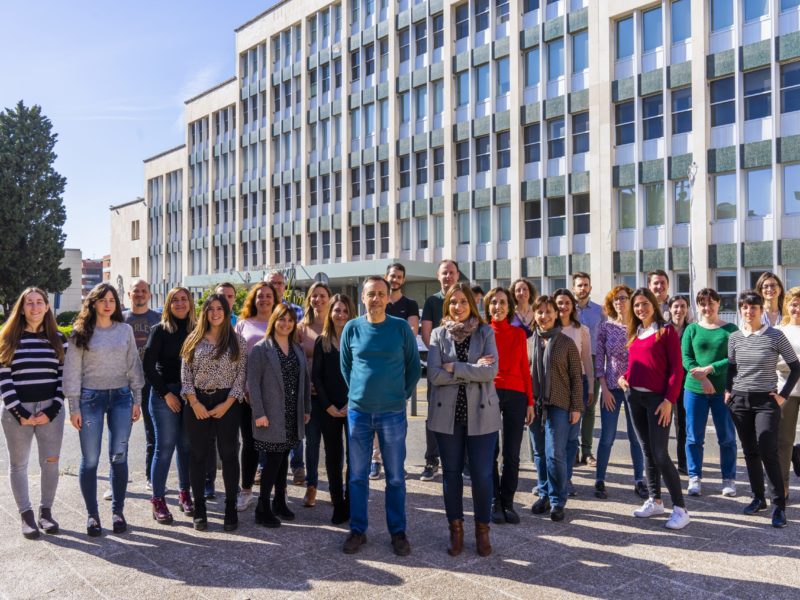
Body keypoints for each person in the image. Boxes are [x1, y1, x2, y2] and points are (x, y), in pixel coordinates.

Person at [340, 276, 421, 556]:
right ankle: (358, 530)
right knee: (358, 476)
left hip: (392, 413)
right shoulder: (351, 328)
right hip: (359, 413)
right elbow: (346, 368)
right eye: (370, 294)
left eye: (380, 294)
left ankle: (398, 531)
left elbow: (413, 367)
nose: (375, 299)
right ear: (362, 298)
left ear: (388, 298)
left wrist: (402, 395)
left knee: (396, 476)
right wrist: (360, 393)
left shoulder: (400, 329)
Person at [64, 283, 144, 537]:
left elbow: (134, 365)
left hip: (121, 397)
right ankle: (92, 516)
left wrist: (137, 398)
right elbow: (72, 372)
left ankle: (118, 512)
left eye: (112, 299)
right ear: (93, 303)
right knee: (90, 460)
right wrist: (73, 406)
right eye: (103, 299)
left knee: (118, 456)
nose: (108, 304)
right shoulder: (80, 333)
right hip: (90, 400)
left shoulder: (125, 330)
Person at [428, 283, 500, 556]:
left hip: (481, 415)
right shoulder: (438, 333)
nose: (458, 307)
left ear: (472, 304)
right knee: (451, 475)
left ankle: (483, 531)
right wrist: (472, 369)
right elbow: (434, 375)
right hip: (448, 417)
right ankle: (455, 531)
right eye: (453, 302)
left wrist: (455, 368)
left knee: (482, 476)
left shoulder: (485, 331)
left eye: (463, 302)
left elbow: (491, 371)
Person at [726, 290, 800, 528]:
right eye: (745, 308)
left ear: (761, 310)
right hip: (740, 402)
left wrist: (782, 396)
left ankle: (779, 505)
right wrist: (728, 392)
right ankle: (758, 498)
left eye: (753, 307)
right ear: (741, 310)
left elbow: (795, 367)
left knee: (769, 449)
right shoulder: (735, 337)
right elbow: (731, 368)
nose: (749, 311)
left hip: (766, 402)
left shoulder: (775, 336)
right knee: (749, 452)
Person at [618, 288, 688, 530]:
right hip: (634, 397)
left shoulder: (665, 331)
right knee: (647, 451)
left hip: (659, 401)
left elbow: (676, 370)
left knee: (660, 453)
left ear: (653, 305)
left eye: (645, 304)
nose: (640, 309)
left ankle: (680, 508)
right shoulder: (636, 332)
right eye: (637, 305)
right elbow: (638, 364)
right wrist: (624, 377)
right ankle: (655, 499)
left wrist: (669, 401)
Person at [0, 288, 68, 539]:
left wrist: (52, 410)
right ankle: (26, 516)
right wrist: (19, 412)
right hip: (16, 411)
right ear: (22, 308)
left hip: (50, 410)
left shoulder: (59, 339)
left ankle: (45, 512)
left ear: (47, 307)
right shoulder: (7, 338)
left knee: (50, 462)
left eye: (40, 302)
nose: (35, 307)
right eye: (29, 303)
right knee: (18, 465)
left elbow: (63, 377)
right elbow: (4, 379)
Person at [180, 293, 247, 532]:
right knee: (198, 456)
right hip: (197, 402)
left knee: (229, 454)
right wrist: (194, 402)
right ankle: (200, 508)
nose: (215, 313)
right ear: (205, 313)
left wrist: (227, 404)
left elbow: (241, 377)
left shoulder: (238, 341)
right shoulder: (193, 339)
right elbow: (185, 376)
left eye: (220, 308)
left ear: (227, 312)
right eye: (211, 309)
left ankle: (230, 506)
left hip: (227, 402)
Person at [247, 303, 311, 528]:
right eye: (282, 319)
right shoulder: (261, 349)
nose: (286, 324)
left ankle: (280, 502)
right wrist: (259, 413)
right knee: (272, 461)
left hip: (292, 414)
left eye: (290, 320)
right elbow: (252, 383)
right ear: (274, 320)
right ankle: (262, 507)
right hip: (271, 415)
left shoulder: (297, 348)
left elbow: (304, 380)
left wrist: (306, 409)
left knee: (284, 459)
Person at [142, 287, 196, 524]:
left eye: (184, 299)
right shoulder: (160, 330)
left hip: (190, 395)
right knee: (164, 449)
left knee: (186, 446)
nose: (180, 303)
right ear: (168, 304)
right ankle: (158, 500)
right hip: (166, 395)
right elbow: (148, 368)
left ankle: (185, 493)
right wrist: (167, 394)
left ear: (190, 303)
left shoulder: (197, 330)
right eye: (175, 300)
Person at [528, 295, 583, 522]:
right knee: (539, 454)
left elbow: (576, 378)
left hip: (559, 405)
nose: (544, 316)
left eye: (549, 311)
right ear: (534, 315)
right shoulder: (529, 342)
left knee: (555, 455)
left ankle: (558, 500)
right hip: (535, 405)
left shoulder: (566, 342)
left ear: (556, 314)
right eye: (540, 312)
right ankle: (544, 494)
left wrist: (576, 407)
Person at [681, 288, 738, 498]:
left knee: (727, 437)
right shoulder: (692, 329)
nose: (707, 307)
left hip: (723, 391)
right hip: (694, 390)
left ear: (719, 304)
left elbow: (733, 359)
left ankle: (729, 479)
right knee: (694, 437)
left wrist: (710, 369)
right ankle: (694, 477)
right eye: (702, 303)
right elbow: (686, 358)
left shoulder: (731, 329)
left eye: (711, 302)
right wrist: (702, 378)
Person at [483, 287, 532, 526]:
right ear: (487, 306)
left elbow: (525, 368)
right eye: (493, 302)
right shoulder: (482, 332)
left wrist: (530, 402)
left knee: (512, 453)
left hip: (516, 394)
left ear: (509, 307)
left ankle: (508, 502)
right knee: (491, 451)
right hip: (490, 392)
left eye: (502, 302)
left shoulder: (519, 334)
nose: (498, 306)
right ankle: (495, 503)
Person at [593, 286, 647, 500]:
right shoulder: (605, 327)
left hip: (635, 389)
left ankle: (639, 480)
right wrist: (604, 389)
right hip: (612, 389)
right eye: (615, 299)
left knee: (636, 438)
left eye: (624, 298)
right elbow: (599, 361)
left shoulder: (640, 328)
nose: (620, 302)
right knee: (607, 437)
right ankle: (599, 480)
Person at [372, 263, 419, 480]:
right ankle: (376, 460)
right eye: (392, 275)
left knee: (397, 421)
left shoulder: (410, 304)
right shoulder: (378, 300)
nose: (396, 279)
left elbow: (411, 332)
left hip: (396, 372)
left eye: (399, 276)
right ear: (386, 276)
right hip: (375, 372)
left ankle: (397, 462)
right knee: (373, 421)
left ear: (404, 280)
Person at [312, 294, 357, 524]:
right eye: (337, 310)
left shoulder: (358, 340)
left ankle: (351, 501)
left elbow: (361, 375)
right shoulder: (322, 341)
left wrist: (351, 403)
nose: (341, 315)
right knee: (333, 456)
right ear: (330, 313)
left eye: (345, 311)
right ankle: (337, 503)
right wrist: (327, 405)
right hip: (328, 408)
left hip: (353, 406)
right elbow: (316, 377)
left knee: (354, 456)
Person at [233, 281, 278, 512]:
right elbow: (236, 360)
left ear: (274, 298)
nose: (264, 299)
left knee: (275, 444)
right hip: (247, 395)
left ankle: (276, 493)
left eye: (269, 296)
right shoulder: (243, 325)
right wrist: (243, 389)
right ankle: (247, 490)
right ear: (253, 299)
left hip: (274, 395)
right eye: (260, 296)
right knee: (250, 444)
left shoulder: (281, 322)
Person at [419, 259, 459, 481]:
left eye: (451, 272)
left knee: (461, 412)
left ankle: (460, 462)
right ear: (438, 275)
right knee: (434, 414)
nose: (448, 276)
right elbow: (427, 334)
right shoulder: (433, 301)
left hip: (461, 366)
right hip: (438, 365)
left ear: (457, 275)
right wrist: (439, 359)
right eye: (444, 273)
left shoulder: (463, 297)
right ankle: (431, 460)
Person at [265, 270, 305, 483]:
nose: (276, 286)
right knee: (266, 428)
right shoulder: (259, 309)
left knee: (293, 424)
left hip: (290, 373)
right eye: (272, 283)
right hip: (267, 378)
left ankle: (297, 466)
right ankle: (264, 468)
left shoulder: (296, 310)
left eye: (280, 283)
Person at [553, 289, 594, 497]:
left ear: (573, 306)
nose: (563, 306)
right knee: (555, 438)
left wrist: (591, 385)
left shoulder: (582, 330)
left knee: (571, 437)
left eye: (567, 302)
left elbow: (586, 359)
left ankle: (567, 478)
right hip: (555, 387)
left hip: (578, 384)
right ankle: (553, 480)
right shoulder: (548, 328)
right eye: (559, 302)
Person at [122, 279, 160, 493]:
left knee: (152, 433)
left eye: (143, 291)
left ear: (149, 294)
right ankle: (117, 480)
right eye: (135, 291)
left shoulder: (158, 318)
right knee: (121, 434)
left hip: (151, 381)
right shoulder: (121, 319)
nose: (139, 294)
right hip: (126, 382)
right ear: (129, 294)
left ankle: (151, 477)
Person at [296, 282, 332, 507]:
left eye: (322, 296)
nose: (318, 300)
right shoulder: (301, 328)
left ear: (329, 298)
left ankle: (337, 484)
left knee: (334, 443)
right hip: (309, 394)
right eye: (314, 296)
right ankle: (311, 486)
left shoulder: (338, 324)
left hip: (334, 394)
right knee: (311, 443)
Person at [204, 282, 240, 500]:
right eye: (221, 296)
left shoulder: (239, 324)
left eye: (229, 296)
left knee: (231, 444)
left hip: (231, 394)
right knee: (208, 443)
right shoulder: (206, 324)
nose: (225, 299)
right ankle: (209, 483)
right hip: (206, 393)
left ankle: (232, 485)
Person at [572, 272, 605, 466]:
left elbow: (602, 340)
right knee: (573, 406)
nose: (582, 288)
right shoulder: (567, 309)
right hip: (571, 360)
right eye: (579, 285)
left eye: (585, 285)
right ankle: (573, 450)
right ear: (573, 287)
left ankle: (587, 451)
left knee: (590, 407)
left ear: (590, 288)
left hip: (592, 361)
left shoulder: (600, 312)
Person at [776, 287, 800, 500]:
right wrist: (794, 365)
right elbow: (774, 361)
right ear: (787, 306)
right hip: (786, 390)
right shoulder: (779, 331)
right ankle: (782, 485)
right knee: (784, 440)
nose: (797, 308)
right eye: (793, 304)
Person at [666, 295, 690, 476]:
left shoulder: (691, 330)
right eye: (675, 306)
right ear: (669, 309)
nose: (679, 310)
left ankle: (683, 463)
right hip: (664, 381)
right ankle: (662, 462)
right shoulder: (663, 329)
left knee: (682, 423)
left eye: (682, 306)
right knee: (662, 422)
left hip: (685, 382)